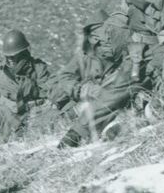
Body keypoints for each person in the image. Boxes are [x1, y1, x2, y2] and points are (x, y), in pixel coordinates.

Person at [55, 8, 136, 147]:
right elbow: (65, 76)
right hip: (87, 106)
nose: (102, 42)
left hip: (116, 105)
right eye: (96, 38)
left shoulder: (123, 54)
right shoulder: (84, 56)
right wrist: (82, 89)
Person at [0, 30, 54, 140]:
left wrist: (32, 90)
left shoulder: (38, 68)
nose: (10, 60)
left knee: (35, 133)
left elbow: (48, 90)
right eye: (8, 56)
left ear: (23, 53)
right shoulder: (0, 69)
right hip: (8, 112)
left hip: (31, 112)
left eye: (14, 56)